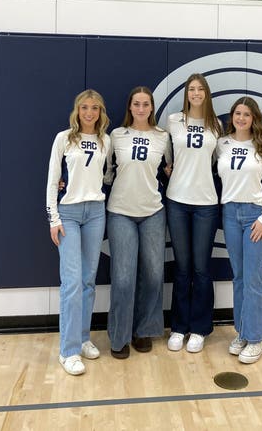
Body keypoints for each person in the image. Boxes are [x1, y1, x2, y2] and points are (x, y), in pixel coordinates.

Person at [46, 90, 110, 376]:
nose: (89, 113)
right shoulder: (64, 138)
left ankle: (83, 338)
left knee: (87, 281)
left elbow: (106, 175)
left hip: (96, 212)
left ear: (100, 112)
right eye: (84, 107)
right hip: (68, 215)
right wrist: (53, 218)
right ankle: (68, 350)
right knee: (71, 282)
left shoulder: (104, 140)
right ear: (77, 110)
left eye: (94, 108)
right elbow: (51, 181)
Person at [216, 96, 262, 364]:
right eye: (237, 113)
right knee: (239, 277)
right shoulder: (221, 144)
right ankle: (243, 331)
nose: (241, 118)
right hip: (230, 213)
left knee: (253, 277)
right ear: (231, 116)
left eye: (246, 114)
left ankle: (257, 338)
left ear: (254, 118)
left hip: (255, 216)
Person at [105, 86, 171, 358]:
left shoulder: (162, 137)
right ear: (129, 107)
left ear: (152, 107)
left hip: (153, 212)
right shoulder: (117, 136)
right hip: (121, 211)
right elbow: (106, 172)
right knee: (122, 278)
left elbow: (170, 170)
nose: (141, 108)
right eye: (136, 104)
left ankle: (143, 331)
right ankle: (119, 335)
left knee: (154, 275)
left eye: (146, 104)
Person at [163, 74, 224, 354]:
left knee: (200, 269)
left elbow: (219, 163)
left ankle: (199, 328)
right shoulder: (174, 121)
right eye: (192, 89)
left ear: (207, 94)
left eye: (200, 89)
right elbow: (168, 159)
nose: (196, 93)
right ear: (186, 93)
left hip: (206, 204)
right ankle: (178, 327)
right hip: (177, 200)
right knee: (182, 268)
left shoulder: (216, 125)